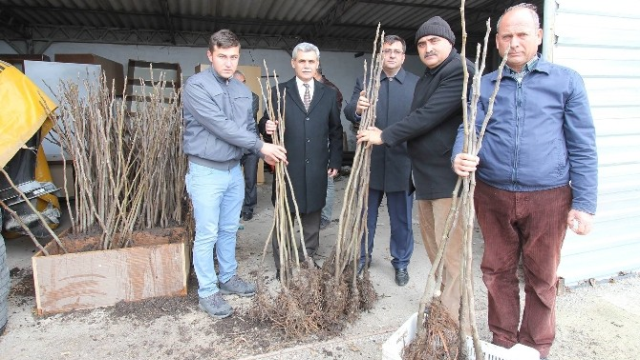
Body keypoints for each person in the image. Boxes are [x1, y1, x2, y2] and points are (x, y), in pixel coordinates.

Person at [452, 4, 597, 359]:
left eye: (522, 35)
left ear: (539, 37)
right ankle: (502, 340)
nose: (514, 42)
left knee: (542, 275)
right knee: (496, 271)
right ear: (497, 41)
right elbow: (466, 128)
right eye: (507, 36)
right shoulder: (484, 84)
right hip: (492, 194)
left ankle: (535, 345)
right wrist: (460, 153)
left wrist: (585, 203)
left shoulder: (565, 81)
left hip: (549, 197)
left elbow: (583, 144)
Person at [357, 17, 475, 318]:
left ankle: (451, 316)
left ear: (450, 42)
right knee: (435, 246)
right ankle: (442, 303)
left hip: (448, 177)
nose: (427, 47)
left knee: (451, 249)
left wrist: (385, 135)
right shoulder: (429, 76)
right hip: (424, 175)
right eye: (422, 43)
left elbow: (427, 115)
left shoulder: (459, 71)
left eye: (434, 41)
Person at [182, 29, 287, 319]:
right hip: (205, 170)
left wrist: (264, 150)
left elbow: (247, 131)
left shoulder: (243, 91)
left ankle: (228, 277)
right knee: (207, 233)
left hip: (232, 171)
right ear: (210, 55)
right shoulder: (196, 86)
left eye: (234, 57)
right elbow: (220, 126)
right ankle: (207, 291)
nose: (229, 63)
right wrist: (259, 145)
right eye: (222, 56)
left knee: (230, 229)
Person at [259, 42, 343, 279]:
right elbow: (266, 122)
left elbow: (336, 130)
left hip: (317, 165)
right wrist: (266, 126)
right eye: (302, 61)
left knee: (312, 217)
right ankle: (282, 264)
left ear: (317, 64)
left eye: (311, 61)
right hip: (287, 166)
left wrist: (335, 159)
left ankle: (307, 258)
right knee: (284, 218)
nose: (306, 65)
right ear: (293, 63)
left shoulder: (328, 94)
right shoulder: (279, 91)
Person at [344, 35, 419, 286]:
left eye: (397, 51)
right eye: (387, 50)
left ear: (403, 56)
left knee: (402, 220)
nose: (392, 55)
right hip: (370, 162)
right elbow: (348, 111)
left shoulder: (415, 84)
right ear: (380, 55)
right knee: (366, 215)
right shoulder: (365, 81)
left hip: (402, 161)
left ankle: (401, 263)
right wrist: (358, 108)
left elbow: (421, 121)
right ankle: (362, 257)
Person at [313, 65, 344, 230]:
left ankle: (325, 216)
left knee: (326, 179)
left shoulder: (330, 89)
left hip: (323, 140)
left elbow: (333, 122)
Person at [233, 70, 260, 221]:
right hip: (234, 146)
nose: (243, 85)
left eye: (244, 82)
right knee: (235, 180)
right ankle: (235, 208)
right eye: (240, 82)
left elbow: (245, 117)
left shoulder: (253, 97)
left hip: (251, 145)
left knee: (250, 179)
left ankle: (248, 208)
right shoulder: (225, 98)